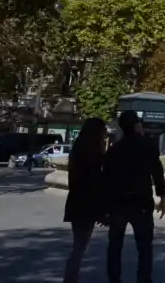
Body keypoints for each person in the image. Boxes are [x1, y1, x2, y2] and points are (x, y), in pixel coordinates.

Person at [103, 111, 165, 283]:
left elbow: (106, 179)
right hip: (141, 203)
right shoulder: (148, 145)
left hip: (118, 204)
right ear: (137, 126)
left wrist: (105, 207)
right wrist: (162, 195)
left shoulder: (114, 150)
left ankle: (114, 279)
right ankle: (144, 280)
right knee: (145, 248)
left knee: (115, 245)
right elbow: (157, 172)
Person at [63, 117, 108, 283]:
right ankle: (70, 278)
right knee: (80, 246)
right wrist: (101, 212)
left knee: (79, 244)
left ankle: (70, 278)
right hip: (87, 203)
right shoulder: (93, 152)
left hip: (76, 201)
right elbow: (96, 181)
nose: (105, 134)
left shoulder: (78, 147)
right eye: (103, 130)